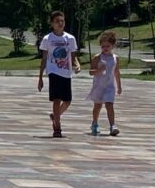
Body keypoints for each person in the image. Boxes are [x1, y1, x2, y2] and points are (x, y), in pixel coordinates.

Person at [38, 10, 80, 138]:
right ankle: (57, 126)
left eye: (62, 21)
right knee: (56, 99)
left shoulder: (70, 38)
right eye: (57, 21)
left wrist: (77, 64)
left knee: (67, 100)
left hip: (66, 72)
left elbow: (73, 55)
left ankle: (55, 115)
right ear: (51, 23)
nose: (60, 23)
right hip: (53, 71)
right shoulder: (47, 39)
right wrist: (40, 78)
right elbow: (44, 59)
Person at [87, 30, 123, 136]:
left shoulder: (115, 58)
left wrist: (119, 86)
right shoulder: (97, 58)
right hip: (99, 86)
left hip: (109, 87)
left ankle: (112, 125)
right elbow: (90, 72)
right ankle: (94, 122)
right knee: (97, 106)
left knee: (109, 105)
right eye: (103, 46)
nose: (105, 48)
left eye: (107, 46)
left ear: (112, 46)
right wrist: (98, 71)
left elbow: (116, 72)